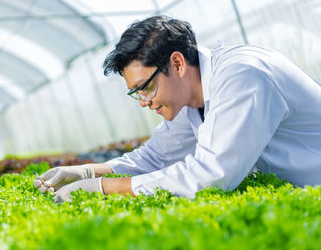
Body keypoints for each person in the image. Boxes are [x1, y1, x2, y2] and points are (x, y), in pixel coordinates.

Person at [34, 15, 321, 203]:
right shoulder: (187, 98)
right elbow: (159, 155)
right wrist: (89, 172)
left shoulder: (242, 75)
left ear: (178, 64)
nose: (144, 102)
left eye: (146, 88)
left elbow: (212, 174)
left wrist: (104, 189)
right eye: (136, 94)